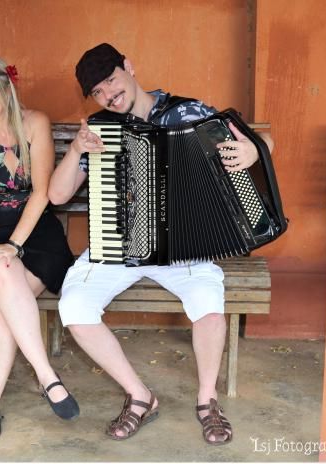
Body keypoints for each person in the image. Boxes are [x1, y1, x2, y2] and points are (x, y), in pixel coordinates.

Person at [58, 43, 260, 444]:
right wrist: (77, 150)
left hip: (183, 244)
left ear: (129, 67)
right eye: (97, 92)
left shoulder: (189, 112)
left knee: (209, 309)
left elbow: (257, 147)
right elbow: (57, 196)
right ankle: (139, 396)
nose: (108, 97)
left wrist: (253, 150)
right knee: (73, 307)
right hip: (119, 244)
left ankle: (207, 401)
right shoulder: (99, 129)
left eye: (111, 82)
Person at [0, 54, 80, 443]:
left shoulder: (36, 123)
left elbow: (42, 193)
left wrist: (13, 244)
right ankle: (47, 376)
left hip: (36, 230)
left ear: (7, 86)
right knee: (5, 275)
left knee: (7, 304)